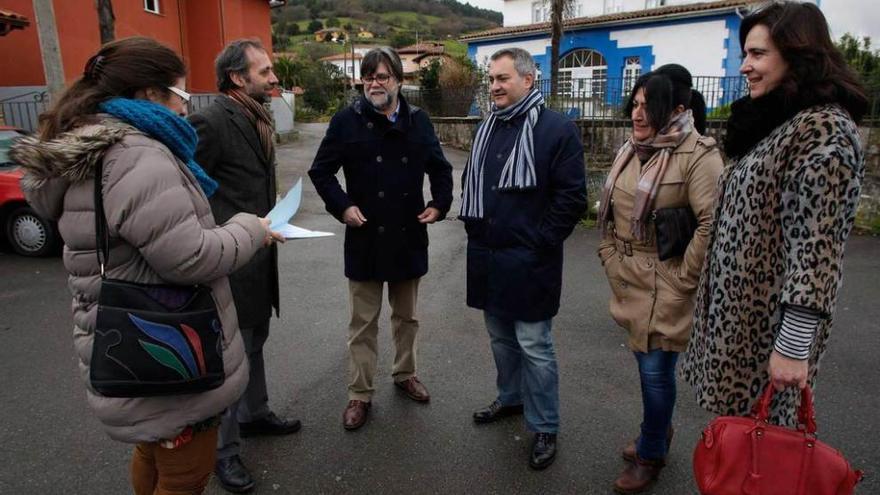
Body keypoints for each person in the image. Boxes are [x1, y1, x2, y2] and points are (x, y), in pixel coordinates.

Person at [10, 37, 281, 494]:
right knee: (185, 472)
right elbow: (190, 256)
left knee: (154, 449)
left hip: (125, 335)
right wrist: (250, 229)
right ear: (150, 94)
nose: (184, 108)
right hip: (167, 340)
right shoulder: (138, 156)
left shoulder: (95, 146)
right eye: (181, 94)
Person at [681, 1, 867, 428]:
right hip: (741, 336)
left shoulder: (823, 130)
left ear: (798, 54)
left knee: (767, 460)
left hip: (769, 343)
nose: (745, 66)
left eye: (758, 54)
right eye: (745, 53)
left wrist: (792, 347)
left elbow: (818, 250)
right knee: (740, 455)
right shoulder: (779, 123)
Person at [308, 47, 453, 431]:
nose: (374, 82)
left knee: (407, 317)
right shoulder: (346, 121)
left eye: (383, 76)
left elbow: (440, 168)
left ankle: (405, 373)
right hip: (366, 235)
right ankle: (360, 393)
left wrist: (439, 205)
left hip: (407, 234)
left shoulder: (419, 121)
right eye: (368, 76)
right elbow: (320, 172)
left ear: (399, 82)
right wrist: (343, 207)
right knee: (362, 323)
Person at [596, 65, 723, 493]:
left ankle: (651, 452)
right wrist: (609, 252)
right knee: (648, 365)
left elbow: (711, 223)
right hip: (628, 275)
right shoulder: (633, 147)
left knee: (654, 370)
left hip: (666, 281)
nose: (637, 113)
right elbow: (612, 209)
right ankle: (658, 429)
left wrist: (683, 279)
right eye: (635, 104)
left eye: (649, 106)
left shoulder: (698, 154)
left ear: (678, 109)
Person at [462, 48, 587, 470]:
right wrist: (475, 234)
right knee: (500, 339)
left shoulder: (557, 130)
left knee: (535, 346)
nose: (494, 86)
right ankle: (511, 399)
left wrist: (540, 241)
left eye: (502, 79)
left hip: (531, 262)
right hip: (488, 258)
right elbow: (472, 186)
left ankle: (545, 425)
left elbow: (572, 198)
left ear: (529, 80)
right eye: (492, 79)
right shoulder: (486, 129)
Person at [188, 38, 301, 494]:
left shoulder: (256, 116)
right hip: (230, 261)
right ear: (238, 78)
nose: (275, 78)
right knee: (232, 357)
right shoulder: (211, 120)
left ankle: (256, 416)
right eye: (266, 71)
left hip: (258, 255)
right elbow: (187, 187)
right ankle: (224, 453)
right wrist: (218, 232)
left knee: (255, 342)